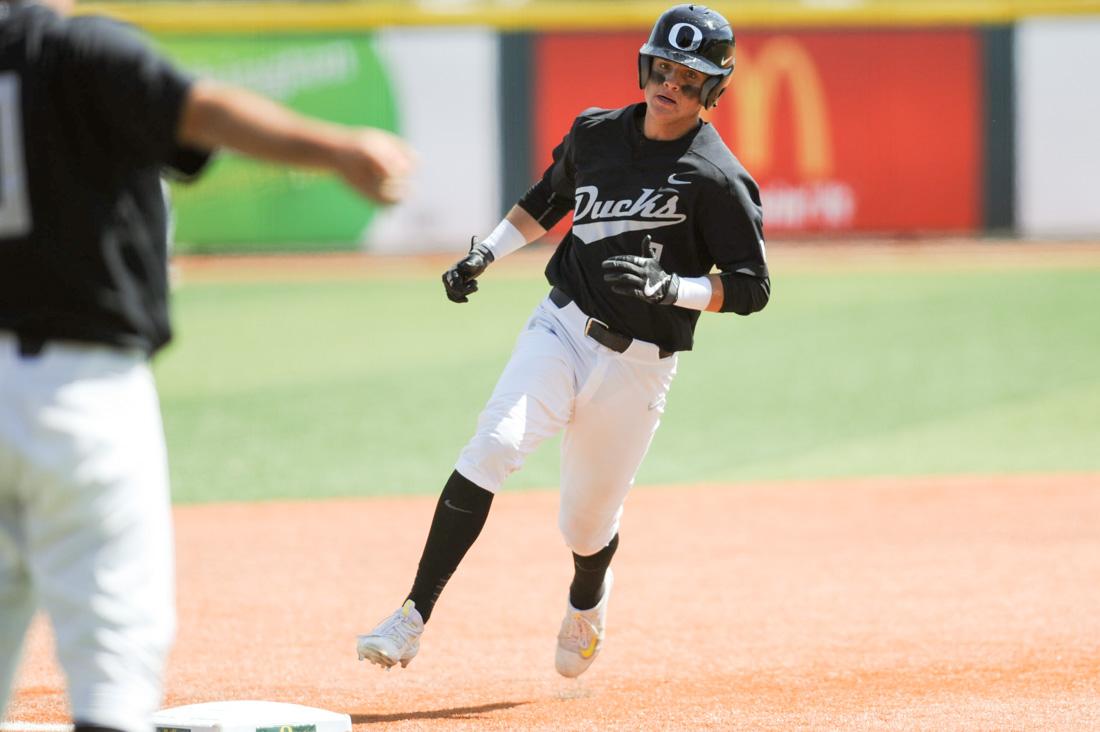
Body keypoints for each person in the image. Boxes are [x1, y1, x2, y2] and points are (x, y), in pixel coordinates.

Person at [0, 0, 414, 729]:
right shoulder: (79, 48)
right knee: (113, 650)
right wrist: (340, 150)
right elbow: (205, 108)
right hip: (80, 390)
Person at [356, 3, 768, 679]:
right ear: (645, 64)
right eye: (663, 67)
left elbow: (751, 287)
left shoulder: (717, 177)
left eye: (690, 79)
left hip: (640, 367)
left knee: (585, 525)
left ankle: (586, 601)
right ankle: (410, 617)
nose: (671, 84)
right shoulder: (597, 133)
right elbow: (548, 200)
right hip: (562, 326)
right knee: (492, 445)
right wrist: (485, 253)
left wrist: (677, 289)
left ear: (712, 92)